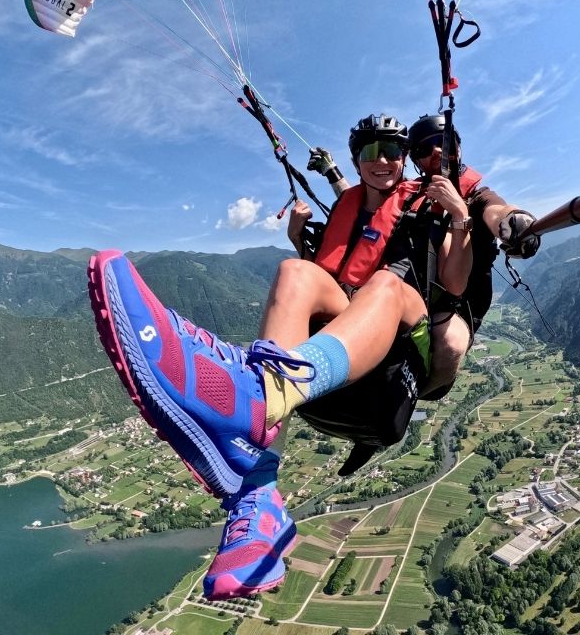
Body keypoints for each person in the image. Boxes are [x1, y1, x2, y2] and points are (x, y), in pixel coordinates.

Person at [87, 114, 472, 600]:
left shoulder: (426, 202)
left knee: (386, 284)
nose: (384, 161)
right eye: (372, 152)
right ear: (357, 161)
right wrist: (300, 240)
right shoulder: (347, 210)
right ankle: (258, 497)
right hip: (338, 365)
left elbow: (454, 287)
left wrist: (459, 218)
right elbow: (324, 283)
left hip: (399, 356)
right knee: (294, 270)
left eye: (394, 151)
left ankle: (259, 394)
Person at [406, 113, 540, 397]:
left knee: (449, 345)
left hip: (461, 302)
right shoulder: (412, 197)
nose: (438, 152)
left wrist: (514, 223)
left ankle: (412, 399)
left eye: (444, 143)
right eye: (424, 149)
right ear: (415, 160)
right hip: (417, 294)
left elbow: (495, 210)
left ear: (457, 146)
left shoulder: (477, 197)